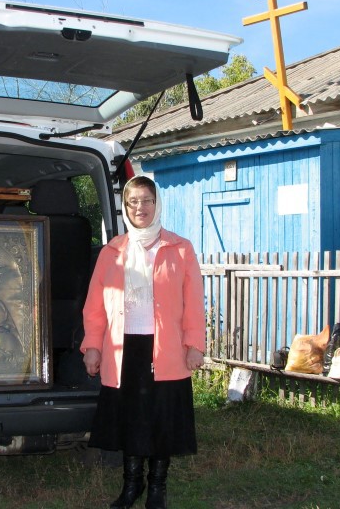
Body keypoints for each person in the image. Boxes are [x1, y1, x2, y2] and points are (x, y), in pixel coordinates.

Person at [81, 175, 206, 509]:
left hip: (166, 350)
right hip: (124, 351)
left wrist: (195, 344)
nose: (140, 207)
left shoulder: (180, 249)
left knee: (162, 419)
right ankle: (132, 485)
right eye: (133, 201)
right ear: (125, 207)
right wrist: (92, 346)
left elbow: (194, 302)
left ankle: (157, 488)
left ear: (157, 204)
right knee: (131, 420)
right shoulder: (111, 251)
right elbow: (95, 305)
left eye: (146, 200)